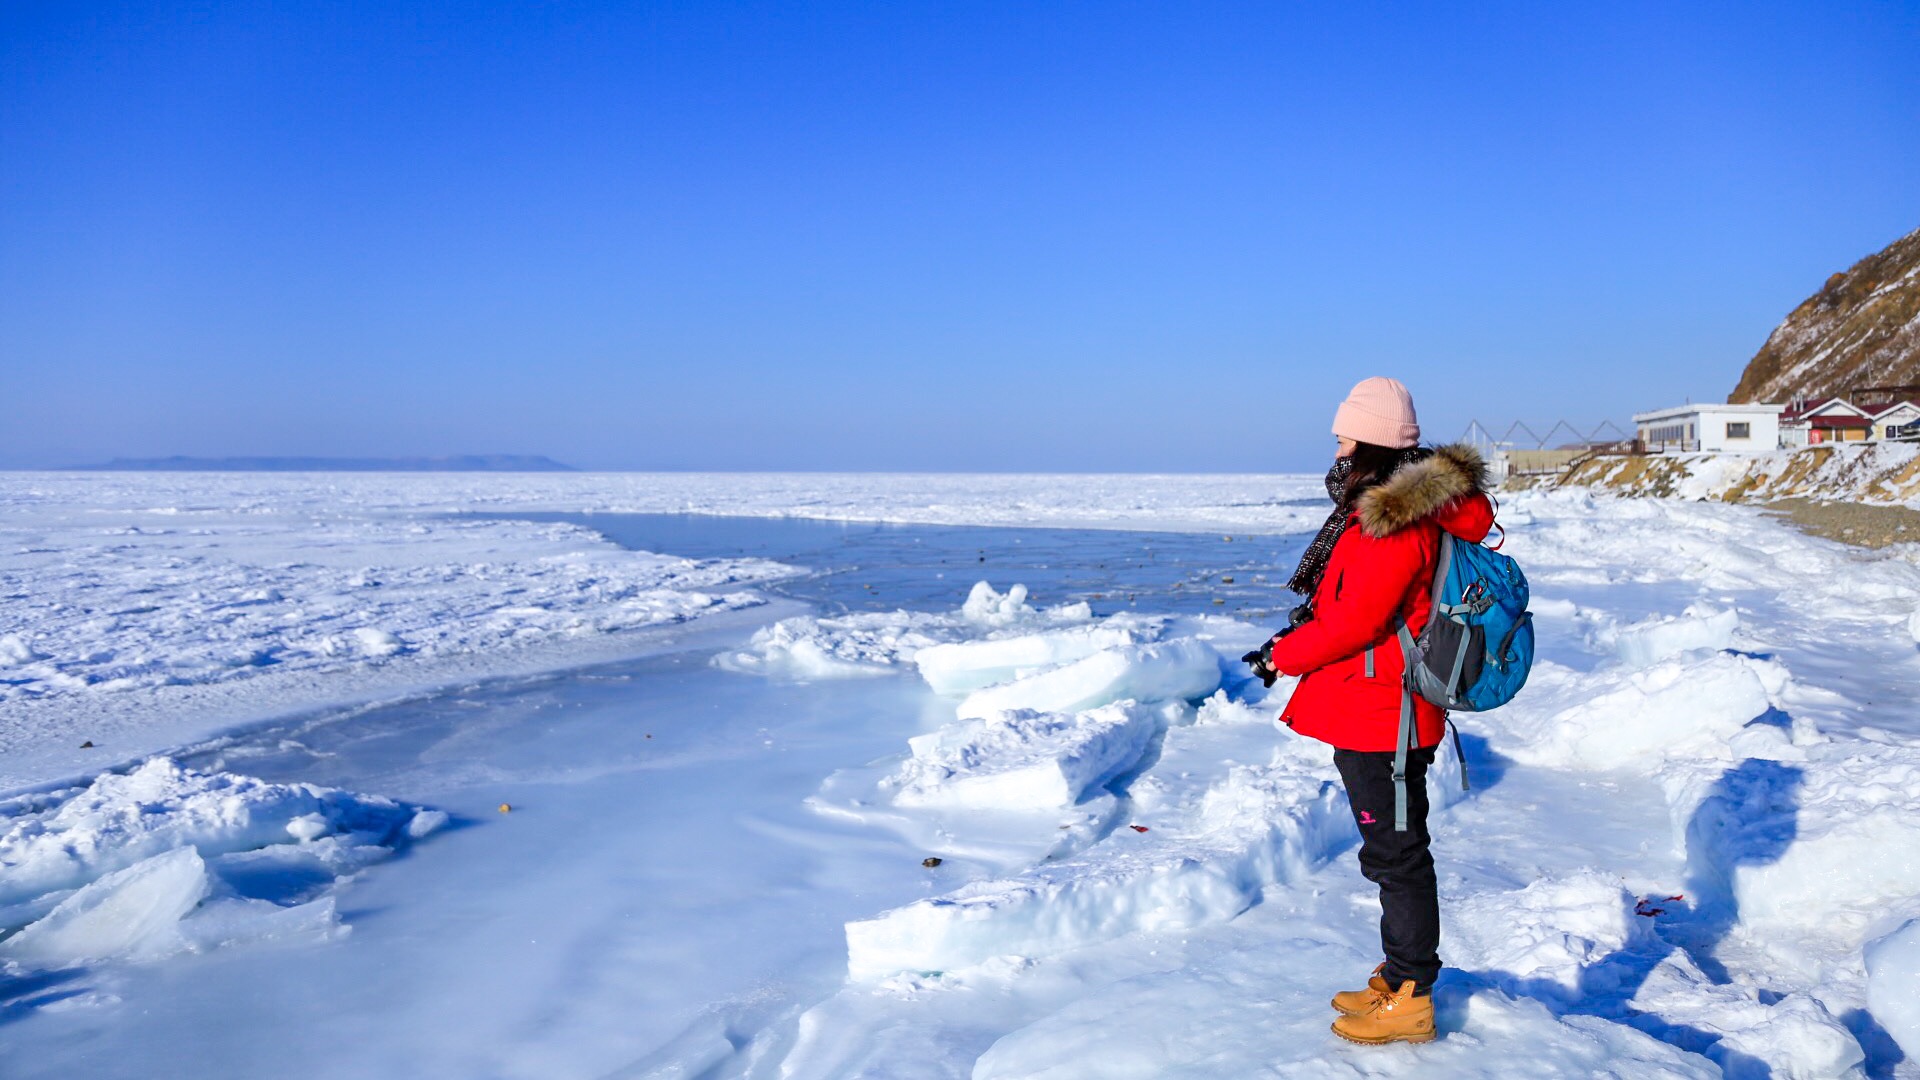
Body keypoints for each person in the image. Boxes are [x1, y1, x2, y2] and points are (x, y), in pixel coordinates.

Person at [1243, 376, 1494, 1046]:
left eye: (1344, 435)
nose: (1336, 444)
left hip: (1386, 713)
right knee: (1389, 851)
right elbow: (1343, 604)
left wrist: (1283, 657)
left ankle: (1411, 994)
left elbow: (1358, 622)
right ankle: (1398, 973)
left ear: (1373, 442)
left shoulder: (1396, 521)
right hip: (1372, 705)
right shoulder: (1378, 510)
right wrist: (1291, 637)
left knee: (1398, 855)